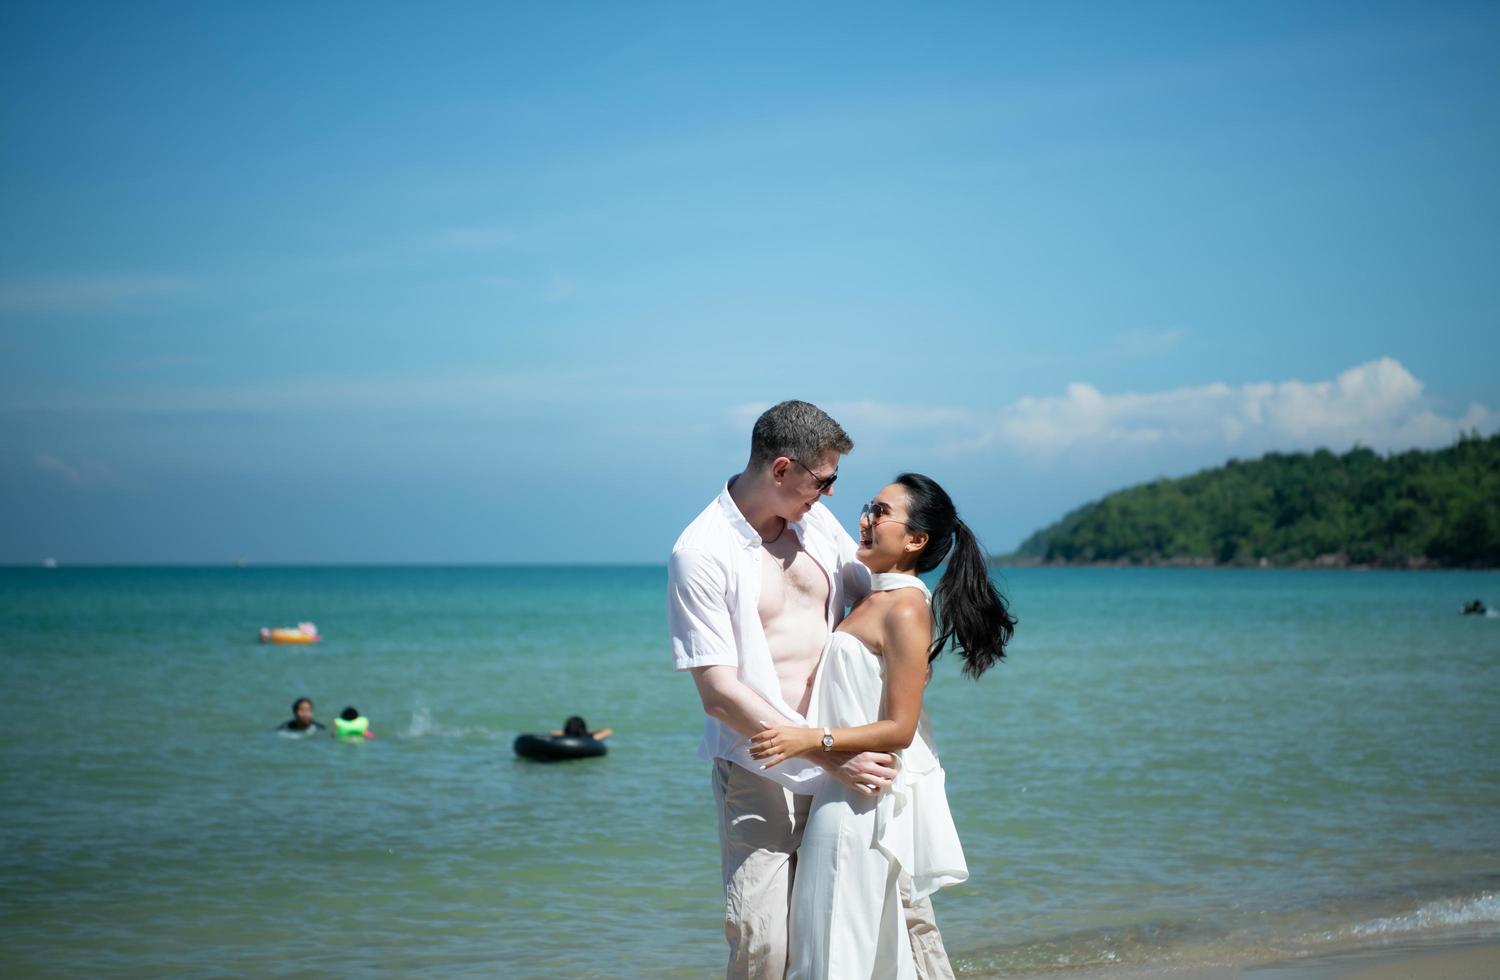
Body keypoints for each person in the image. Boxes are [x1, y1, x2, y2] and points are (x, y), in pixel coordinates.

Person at [668, 400, 951, 980]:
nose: (829, 496)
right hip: (761, 765)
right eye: (822, 481)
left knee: (901, 910)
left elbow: (883, 599)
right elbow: (718, 693)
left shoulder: (815, 523)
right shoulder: (701, 552)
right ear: (781, 470)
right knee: (764, 940)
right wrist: (825, 751)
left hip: (845, 746)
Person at [751, 473, 1015, 979]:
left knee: (837, 952)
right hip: (841, 792)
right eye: (868, 506)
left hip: (861, 803)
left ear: (915, 540)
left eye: (880, 512)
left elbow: (900, 727)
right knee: (836, 947)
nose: (865, 519)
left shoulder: (908, 608)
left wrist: (812, 739)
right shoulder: (871, 597)